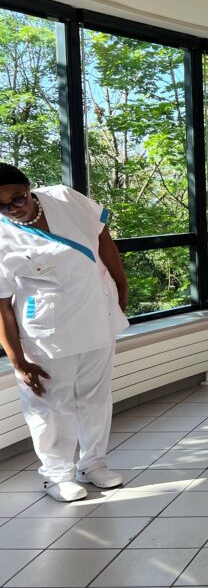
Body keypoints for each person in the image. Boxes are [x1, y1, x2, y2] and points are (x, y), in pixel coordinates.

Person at [0, 164, 129, 502]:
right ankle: (56, 476)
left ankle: (93, 464)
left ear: (29, 188)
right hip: (45, 332)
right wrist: (18, 361)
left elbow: (102, 237)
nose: (14, 208)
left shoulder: (64, 198)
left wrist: (121, 285)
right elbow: (0, 306)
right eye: (2, 206)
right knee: (50, 404)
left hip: (97, 315)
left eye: (18, 198)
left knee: (95, 397)